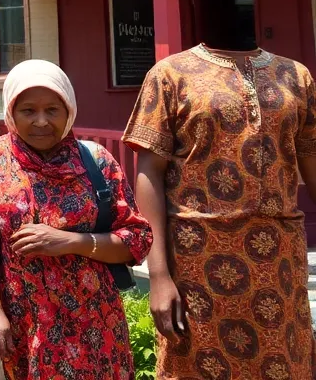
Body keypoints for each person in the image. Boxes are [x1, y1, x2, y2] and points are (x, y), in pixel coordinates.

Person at [124, 44, 316, 379]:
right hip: (196, 270)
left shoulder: (295, 77)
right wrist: (158, 275)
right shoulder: (170, 74)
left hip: (280, 269)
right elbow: (149, 171)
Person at [0, 60, 152, 380]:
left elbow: (137, 237)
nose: (41, 122)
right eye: (28, 111)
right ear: (11, 111)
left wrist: (70, 241)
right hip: (20, 322)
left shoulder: (96, 160)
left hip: (94, 324)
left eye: (52, 109)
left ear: (69, 111)